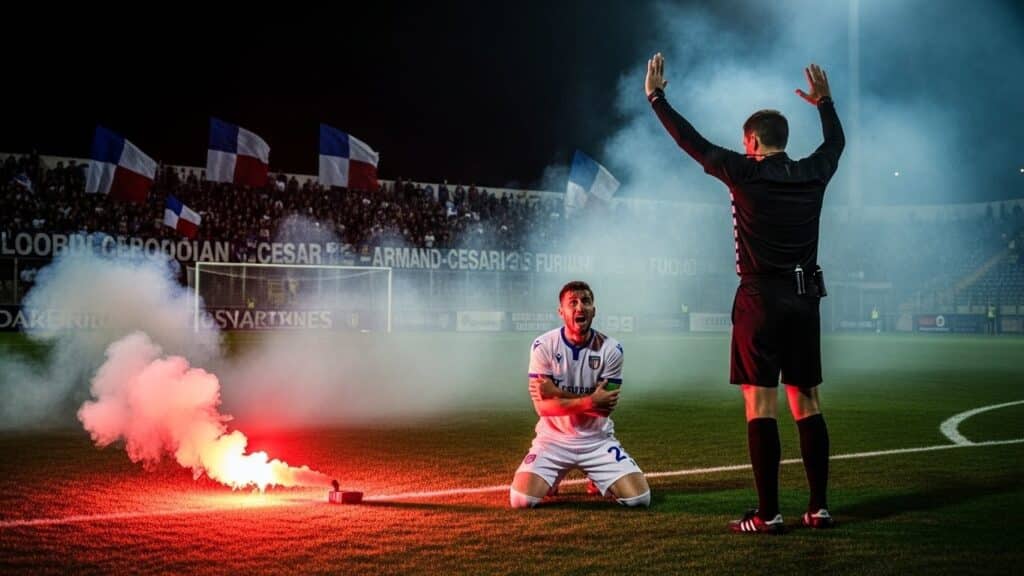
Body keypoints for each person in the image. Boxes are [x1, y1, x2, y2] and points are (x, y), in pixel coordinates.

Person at [646, 53, 844, 533]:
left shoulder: (744, 172)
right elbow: (835, 144)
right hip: (804, 299)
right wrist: (825, 103)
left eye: (744, 141)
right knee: (809, 401)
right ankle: (818, 508)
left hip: (759, 299)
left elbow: (689, 143)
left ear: (752, 142)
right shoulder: (812, 172)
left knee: (760, 404)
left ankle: (768, 514)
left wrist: (656, 98)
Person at [509, 280, 650, 509]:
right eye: (572, 303)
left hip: (596, 441)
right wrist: (591, 400)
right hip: (552, 441)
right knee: (521, 500)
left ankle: (596, 476)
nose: (579, 307)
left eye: (586, 301)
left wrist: (556, 392)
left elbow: (605, 408)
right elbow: (542, 409)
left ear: (594, 309)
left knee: (639, 499)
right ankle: (552, 477)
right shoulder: (543, 346)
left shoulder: (611, 350)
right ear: (561, 311)